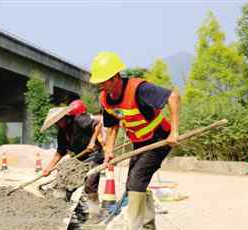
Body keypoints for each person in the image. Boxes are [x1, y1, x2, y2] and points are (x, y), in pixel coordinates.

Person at [89, 52, 180, 230]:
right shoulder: (105, 99)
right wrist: (109, 151)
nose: (100, 86)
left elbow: (173, 96)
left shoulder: (139, 88)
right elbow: (113, 125)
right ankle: (147, 226)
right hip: (140, 143)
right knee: (133, 182)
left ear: (115, 77)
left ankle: (135, 227)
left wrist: (174, 132)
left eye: (103, 82)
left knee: (136, 181)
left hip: (159, 138)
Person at [40, 99, 105, 228]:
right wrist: (48, 168)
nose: (57, 124)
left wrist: (92, 141)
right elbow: (60, 152)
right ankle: (68, 212)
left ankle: (95, 214)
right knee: (65, 182)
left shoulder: (79, 120)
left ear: (64, 118)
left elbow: (100, 122)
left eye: (58, 121)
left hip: (94, 155)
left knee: (90, 184)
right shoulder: (62, 133)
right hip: (80, 158)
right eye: (55, 123)